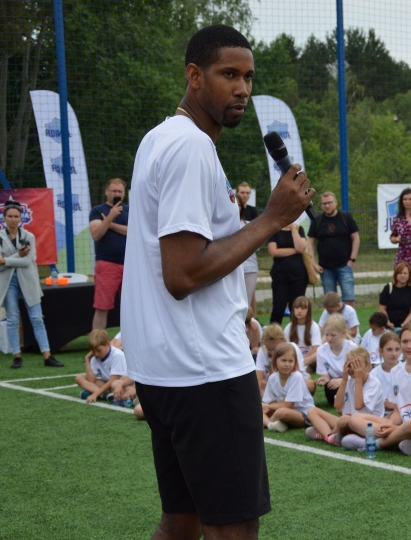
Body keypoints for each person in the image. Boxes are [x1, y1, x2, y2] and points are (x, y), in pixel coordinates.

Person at [121, 25, 314, 538]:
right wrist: (272, 219)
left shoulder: (161, 137)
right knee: (232, 529)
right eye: (229, 74)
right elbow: (182, 273)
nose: (242, 89)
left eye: (248, 77)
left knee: (182, 521)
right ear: (194, 75)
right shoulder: (189, 148)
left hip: (166, 367)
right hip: (202, 369)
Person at [347, 322, 411, 455]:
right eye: (405, 341)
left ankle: (377, 443)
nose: (409, 346)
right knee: (354, 419)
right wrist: (390, 424)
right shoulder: (396, 371)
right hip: (402, 424)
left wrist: (396, 427)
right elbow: (397, 411)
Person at [0, 201, 62, 369]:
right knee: (13, 318)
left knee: (37, 317)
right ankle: (17, 355)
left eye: (16, 216)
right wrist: (17, 255)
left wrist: (6, 259)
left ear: (21, 218)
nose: (13, 220)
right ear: (4, 218)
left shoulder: (28, 236)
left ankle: (47, 355)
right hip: (7, 282)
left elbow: (28, 261)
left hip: (28, 280)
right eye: (10, 216)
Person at [305, 347, 384, 445]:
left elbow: (358, 406)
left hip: (366, 426)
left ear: (367, 367)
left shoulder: (373, 383)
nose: (353, 368)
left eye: (357, 365)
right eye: (349, 364)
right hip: (346, 422)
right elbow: (337, 406)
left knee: (344, 420)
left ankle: (328, 434)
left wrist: (358, 379)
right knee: (312, 410)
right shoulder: (350, 381)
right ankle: (329, 436)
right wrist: (344, 380)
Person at [88, 178, 129, 331]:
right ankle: (97, 345)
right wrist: (110, 216)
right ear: (106, 191)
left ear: (124, 194)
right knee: (102, 306)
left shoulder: (129, 210)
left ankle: (128, 343)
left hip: (129, 265)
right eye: (114, 191)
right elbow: (96, 234)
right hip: (107, 264)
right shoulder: (98, 211)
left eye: (120, 192)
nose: (117, 194)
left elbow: (132, 232)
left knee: (130, 307)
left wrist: (109, 224)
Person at [308, 191, 360, 307]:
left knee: (349, 299)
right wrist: (313, 263)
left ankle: (350, 324)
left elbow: (356, 238)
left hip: (344, 266)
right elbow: (310, 242)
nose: (327, 206)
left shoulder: (346, 218)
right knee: (330, 302)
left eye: (330, 203)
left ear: (336, 203)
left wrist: (352, 259)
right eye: (324, 203)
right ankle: (333, 325)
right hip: (325, 268)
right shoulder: (317, 221)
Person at [262, 342, 316, 433]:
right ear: (275, 361)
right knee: (256, 407)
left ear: (295, 362)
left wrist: (268, 406)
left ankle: (268, 421)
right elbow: (270, 400)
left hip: (304, 413)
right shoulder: (272, 378)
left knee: (281, 412)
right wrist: (268, 406)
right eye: (283, 360)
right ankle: (271, 425)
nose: (287, 364)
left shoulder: (296, 376)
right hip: (282, 410)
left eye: (291, 361)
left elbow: (287, 406)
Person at [75, 329, 130, 405]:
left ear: (108, 344)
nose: (96, 354)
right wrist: (87, 359)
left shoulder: (117, 355)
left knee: (118, 386)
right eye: (93, 351)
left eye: (99, 350)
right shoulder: (95, 358)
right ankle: (106, 395)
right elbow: (91, 379)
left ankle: (97, 392)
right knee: (79, 378)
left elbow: (113, 380)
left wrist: (95, 394)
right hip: (106, 384)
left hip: (120, 384)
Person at [267, 223, 307, 325]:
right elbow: (273, 251)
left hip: (299, 275)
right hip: (280, 275)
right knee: (278, 307)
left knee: (297, 308)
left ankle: (297, 336)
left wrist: (293, 230)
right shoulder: (274, 230)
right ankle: (273, 336)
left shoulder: (299, 229)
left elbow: (301, 248)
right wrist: (294, 250)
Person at [315, 314, 356, 408]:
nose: (329, 338)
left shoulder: (352, 348)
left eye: (333, 335)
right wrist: (323, 379)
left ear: (343, 333)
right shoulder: (321, 351)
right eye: (327, 335)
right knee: (331, 388)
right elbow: (325, 376)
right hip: (333, 385)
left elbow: (358, 374)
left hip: (351, 382)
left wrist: (343, 380)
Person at [237, 182, 260, 313]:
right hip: (235, 261)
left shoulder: (252, 211)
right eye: (242, 192)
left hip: (249, 261)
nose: (245, 195)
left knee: (250, 294)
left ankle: (253, 318)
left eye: (247, 193)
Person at [378, 262, 411, 329]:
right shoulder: (388, 288)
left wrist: (404, 324)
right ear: (395, 274)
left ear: (409, 275)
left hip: (406, 326)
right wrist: (388, 323)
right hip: (388, 325)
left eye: (405, 273)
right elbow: (382, 309)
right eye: (400, 273)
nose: (402, 275)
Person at [285, 296, 321, 371]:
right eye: (297, 308)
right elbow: (285, 347)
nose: (299, 311)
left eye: (303, 308)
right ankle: (300, 366)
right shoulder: (289, 327)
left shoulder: (314, 326)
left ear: (309, 310)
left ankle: (300, 366)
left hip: (309, 358)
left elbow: (315, 349)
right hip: (293, 358)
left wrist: (303, 359)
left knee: (319, 354)